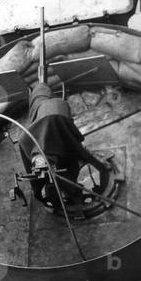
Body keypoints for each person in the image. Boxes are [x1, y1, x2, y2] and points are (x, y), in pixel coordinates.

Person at [18, 83, 112, 212]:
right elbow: (33, 175)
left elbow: (77, 148)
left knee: (43, 94)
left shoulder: (60, 123)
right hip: (43, 109)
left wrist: (99, 164)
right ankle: (61, 197)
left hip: (50, 111)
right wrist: (39, 192)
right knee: (38, 95)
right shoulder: (27, 140)